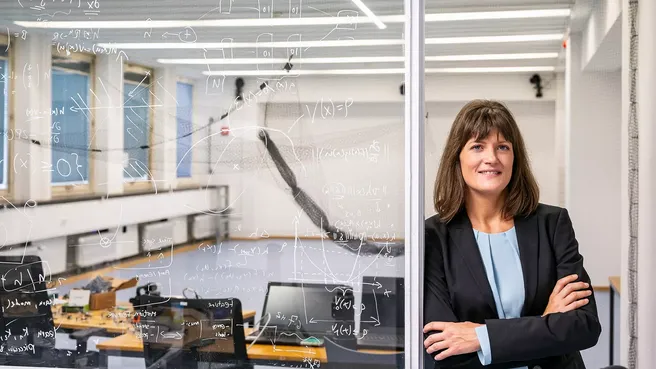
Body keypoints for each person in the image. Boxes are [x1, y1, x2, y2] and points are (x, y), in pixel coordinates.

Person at [423, 99, 601, 369]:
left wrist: (481, 337)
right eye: (477, 147)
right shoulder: (433, 237)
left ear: (515, 158)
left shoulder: (552, 223)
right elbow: (445, 349)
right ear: (457, 158)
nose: (491, 158)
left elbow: (584, 325)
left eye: (502, 147)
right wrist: (546, 323)